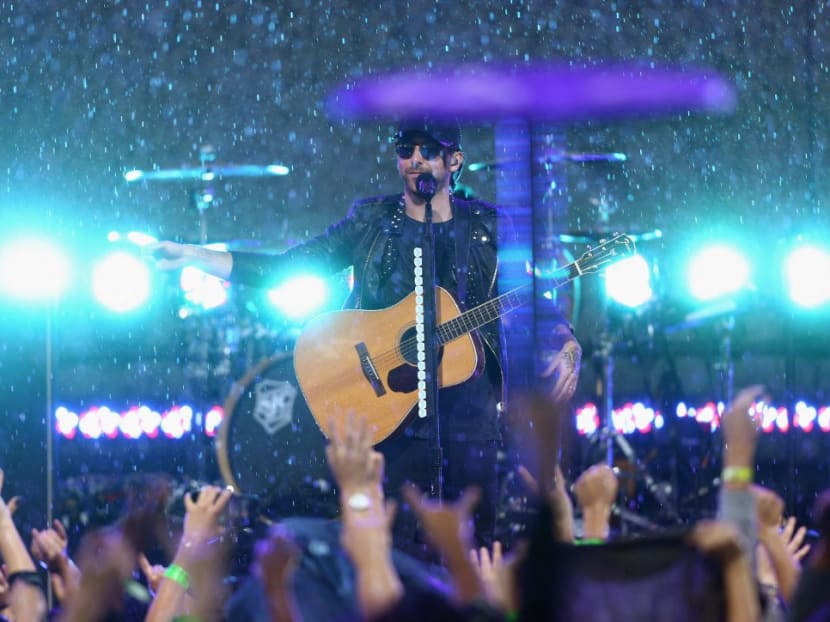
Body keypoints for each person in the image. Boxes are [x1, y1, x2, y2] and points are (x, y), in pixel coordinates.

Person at [148, 118, 582, 558]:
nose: (415, 160)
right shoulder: (372, 221)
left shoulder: (490, 228)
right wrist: (194, 256)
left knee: (471, 556)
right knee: (392, 558)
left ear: (454, 161)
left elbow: (528, 298)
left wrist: (565, 341)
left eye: (428, 150)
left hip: (470, 421)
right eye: (406, 149)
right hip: (389, 419)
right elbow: (287, 268)